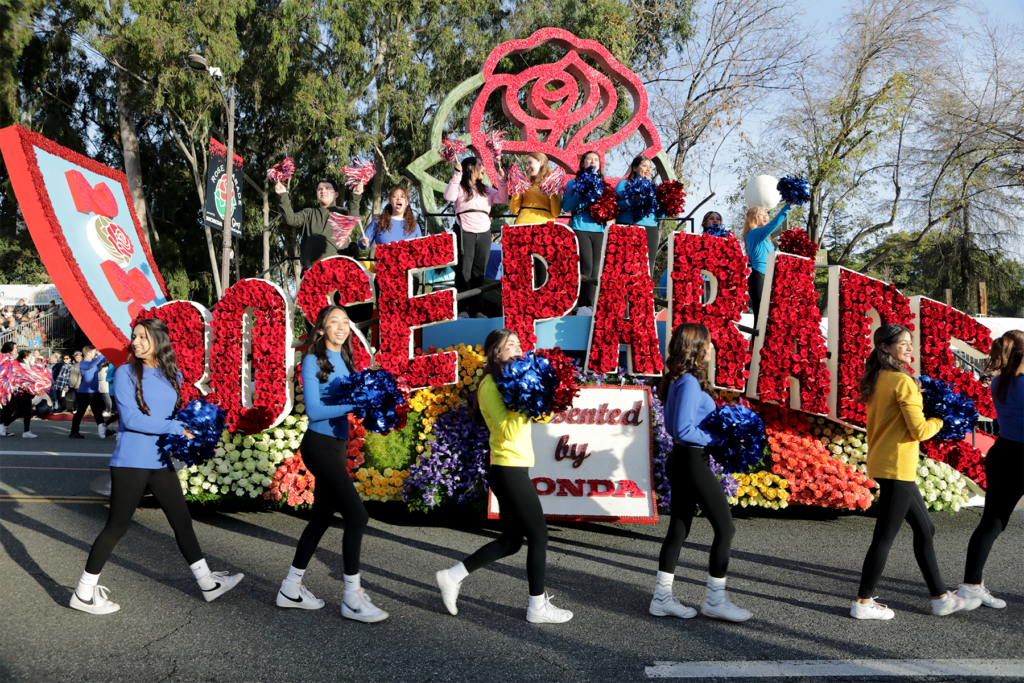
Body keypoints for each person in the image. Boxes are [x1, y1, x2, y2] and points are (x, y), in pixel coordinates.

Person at [70, 318, 243, 615]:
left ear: (158, 339)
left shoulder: (168, 373)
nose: (135, 341)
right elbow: (133, 420)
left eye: (142, 336)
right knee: (117, 526)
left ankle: (207, 582)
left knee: (182, 521)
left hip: (160, 461)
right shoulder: (125, 372)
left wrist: (195, 427)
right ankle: (83, 593)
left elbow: (170, 415)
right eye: (133, 336)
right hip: (131, 462)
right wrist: (178, 428)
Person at [435, 328, 572, 624]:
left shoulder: (514, 381)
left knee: (511, 541)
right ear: (496, 353)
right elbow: (509, 432)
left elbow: (543, 416)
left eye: (519, 343)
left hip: (515, 467)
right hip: (507, 469)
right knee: (539, 535)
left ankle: (452, 575)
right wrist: (525, 401)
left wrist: (540, 393)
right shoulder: (490, 386)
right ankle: (537, 607)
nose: (517, 348)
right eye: (509, 345)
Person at [851, 324, 981, 619]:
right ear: (885, 347)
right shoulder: (902, 382)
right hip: (897, 465)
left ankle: (940, 597)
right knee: (884, 537)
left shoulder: (879, 377)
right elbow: (920, 430)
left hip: (887, 462)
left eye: (910, 343)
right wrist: (941, 420)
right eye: (902, 344)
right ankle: (862, 603)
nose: (909, 348)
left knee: (926, 528)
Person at [276, 305, 387, 622]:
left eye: (345, 321)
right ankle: (353, 598)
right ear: (321, 329)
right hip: (319, 445)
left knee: (321, 518)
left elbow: (356, 403)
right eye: (333, 321)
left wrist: (379, 404)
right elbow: (315, 410)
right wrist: (357, 402)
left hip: (337, 447)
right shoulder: (313, 360)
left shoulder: (347, 361)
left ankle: (290, 588)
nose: (341, 326)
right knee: (357, 516)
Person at [650, 323, 750, 622]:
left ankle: (661, 599)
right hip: (691, 462)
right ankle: (716, 601)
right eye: (709, 343)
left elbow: (671, 428)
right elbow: (681, 429)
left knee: (679, 529)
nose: (713, 348)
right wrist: (719, 440)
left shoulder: (679, 380)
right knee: (726, 528)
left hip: (682, 459)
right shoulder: (689, 383)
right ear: (696, 348)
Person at [959, 329, 1023, 609]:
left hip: (1004, 454)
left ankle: (971, 587)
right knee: (992, 523)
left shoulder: (999, 384)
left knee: (992, 523)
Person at [443, 155, 508, 318]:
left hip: (484, 233)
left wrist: (501, 180)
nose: (483, 168)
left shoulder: (485, 188)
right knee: (464, 271)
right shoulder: (460, 187)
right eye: (480, 165)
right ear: (471, 168)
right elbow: (449, 196)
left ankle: (478, 310)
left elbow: (502, 197)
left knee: (479, 272)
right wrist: (457, 174)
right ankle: (461, 309)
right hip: (465, 232)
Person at [274, 178, 365, 271]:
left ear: (336, 194)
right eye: (320, 189)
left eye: (328, 189)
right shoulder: (308, 213)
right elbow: (290, 220)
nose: (323, 191)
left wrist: (356, 195)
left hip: (339, 269)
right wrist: (283, 195)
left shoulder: (344, 212)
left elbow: (353, 216)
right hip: (312, 269)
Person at [561, 150, 605, 316]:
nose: (593, 162)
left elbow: (611, 207)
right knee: (585, 267)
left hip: (599, 229)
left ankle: (591, 306)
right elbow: (565, 207)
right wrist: (581, 194)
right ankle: (581, 305)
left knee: (596, 269)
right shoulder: (573, 183)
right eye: (589, 159)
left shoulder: (603, 183)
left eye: (596, 159)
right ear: (582, 163)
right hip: (580, 228)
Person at [743, 202, 792, 325]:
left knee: (770, 320)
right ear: (753, 217)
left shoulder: (767, 240)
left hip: (770, 278)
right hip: (760, 277)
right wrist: (787, 207)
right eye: (761, 214)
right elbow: (774, 224)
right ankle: (756, 344)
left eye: (767, 214)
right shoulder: (754, 233)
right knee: (760, 321)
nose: (766, 217)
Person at [615, 155, 664, 276]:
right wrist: (632, 201)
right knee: (625, 266)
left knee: (647, 267)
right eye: (644, 165)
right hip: (627, 227)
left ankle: (645, 293)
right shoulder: (623, 184)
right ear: (635, 167)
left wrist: (666, 207)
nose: (648, 169)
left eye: (650, 167)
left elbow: (658, 214)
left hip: (650, 229)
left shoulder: (654, 189)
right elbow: (614, 206)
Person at [70, 346, 109, 439]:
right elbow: (91, 364)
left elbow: (103, 358)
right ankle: (74, 432)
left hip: (95, 392)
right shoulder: (83, 363)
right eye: (93, 352)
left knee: (98, 412)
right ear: (88, 353)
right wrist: (101, 353)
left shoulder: (93, 362)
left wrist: (108, 352)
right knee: (80, 412)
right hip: (84, 393)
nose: (95, 354)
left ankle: (102, 431)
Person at [0, 348, 39, 438]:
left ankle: (26, 431)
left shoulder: (26, 365)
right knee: (21, 411)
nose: (32, 357)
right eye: (30, 356)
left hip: (27, 392)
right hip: (21, 392)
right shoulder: (21, 366)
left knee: (27, 412)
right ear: (26, 357)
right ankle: (4, 425)